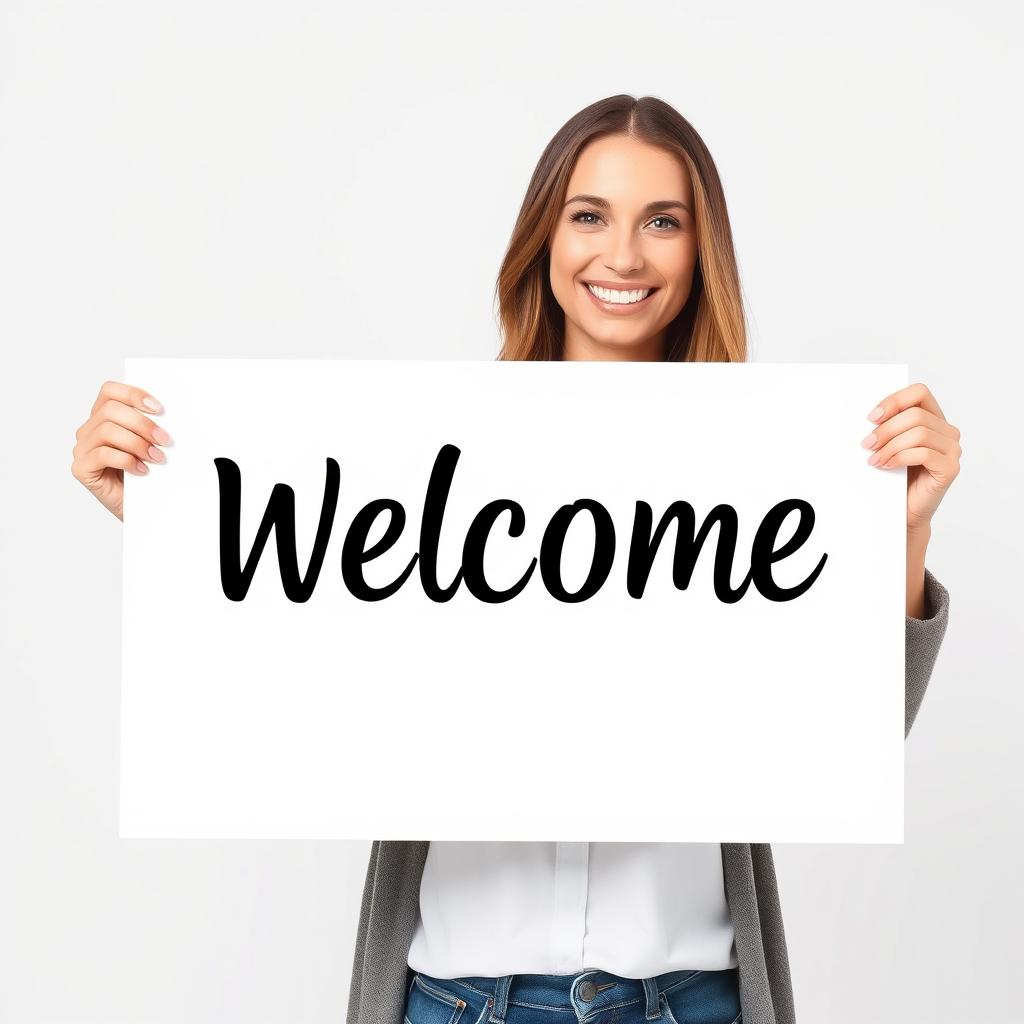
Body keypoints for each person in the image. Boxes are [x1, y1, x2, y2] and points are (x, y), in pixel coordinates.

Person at [70, 95, 959, 1024]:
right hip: (460, 1002)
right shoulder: (421, 475)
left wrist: (900, 533)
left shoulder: (779, 478)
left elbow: (843, 743)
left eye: (663, 221)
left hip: (691, 1002)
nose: (623, 255)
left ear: (702, 254)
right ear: (545, 237)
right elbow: (312, 670)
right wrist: (178, 519)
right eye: (589, 216)